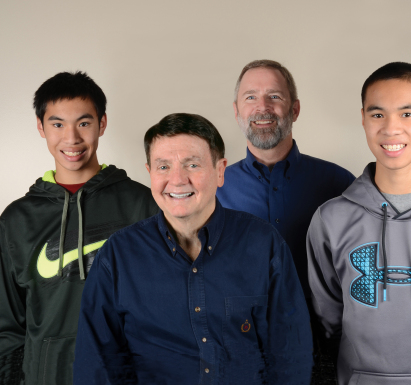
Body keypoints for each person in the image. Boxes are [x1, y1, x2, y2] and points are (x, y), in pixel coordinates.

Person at [73, 113, 313, 384]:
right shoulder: (118, 255)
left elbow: (290, 354)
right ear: (150, 172)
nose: (177, 180)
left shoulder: (263, 244)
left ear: (220, 171)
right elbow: (97, 363)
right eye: (163, 167)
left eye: (192, 165)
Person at [307, 62, 411, 384]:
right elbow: (327, 317)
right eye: (377, 115)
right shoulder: (331, 219)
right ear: (363, 119)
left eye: (407, 114)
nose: (390, 128)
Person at [0, 72, 158, 385]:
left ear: (102, 123)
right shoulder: (17, 220)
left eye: (84, 123)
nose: (71, 138)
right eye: (57, 124)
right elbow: (8, 327)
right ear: (40, 127)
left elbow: (162, 308)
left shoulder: (143, 205)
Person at [216, 59, 355, 382]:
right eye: (251, 97)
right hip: (239, 338)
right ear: (237, 110)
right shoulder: (215, 187)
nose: (262, 107)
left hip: (323, 340)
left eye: (274, 97)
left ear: (295, 109)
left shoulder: (340, 184)